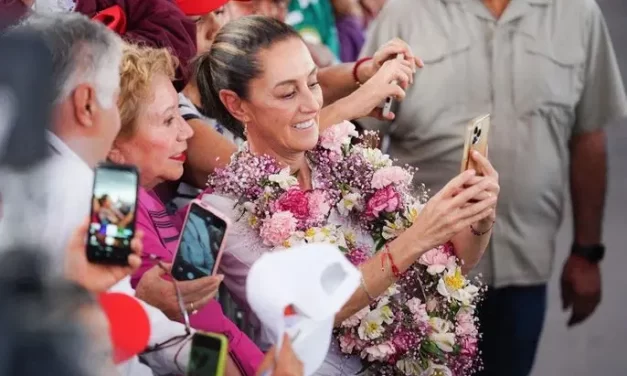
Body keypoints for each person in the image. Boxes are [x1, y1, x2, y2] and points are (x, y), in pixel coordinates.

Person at [195, 16, 500, 374]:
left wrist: (478, 218)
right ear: (236, 105)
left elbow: (452, 261)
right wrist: (419, 237)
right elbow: (315, 312)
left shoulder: (344, 156)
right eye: (288, 93)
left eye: (313, 83)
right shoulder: (224, 210)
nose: (311, 104)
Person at [357, 0, 627, 375]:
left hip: (524, 269)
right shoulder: (406, 12)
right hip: (421, 277)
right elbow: (363, 132)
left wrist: (587, 252)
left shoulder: (578, 13)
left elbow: (589, 138)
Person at [3, 12, 200, 376]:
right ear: (87, 104)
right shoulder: (102, 193)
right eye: (114, 97)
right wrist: (212, 363)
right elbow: (124, 330)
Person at [107, 43, 263, 376]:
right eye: (168, 120)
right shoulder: (114, 202)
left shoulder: (143, 195)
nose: (187, 131)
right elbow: (180, 340)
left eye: (181, 113)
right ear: (113, 145)